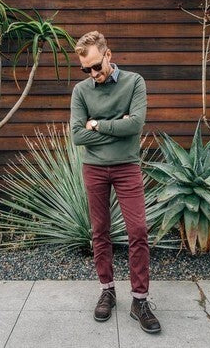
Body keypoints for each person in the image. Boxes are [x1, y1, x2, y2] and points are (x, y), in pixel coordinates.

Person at [70, 31, 161, 334]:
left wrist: (96, 124)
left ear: (108, 54)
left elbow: (135, 124)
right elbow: (77, 135)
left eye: (96, 66)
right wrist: (116, 126)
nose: (93, 74)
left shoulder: (134, 82)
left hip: (126, 167)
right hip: (94, 168)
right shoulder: (81, 91)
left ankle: (139, 300)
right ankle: (107, 290)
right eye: (86, 70)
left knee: (138, 230)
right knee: (100, 231)